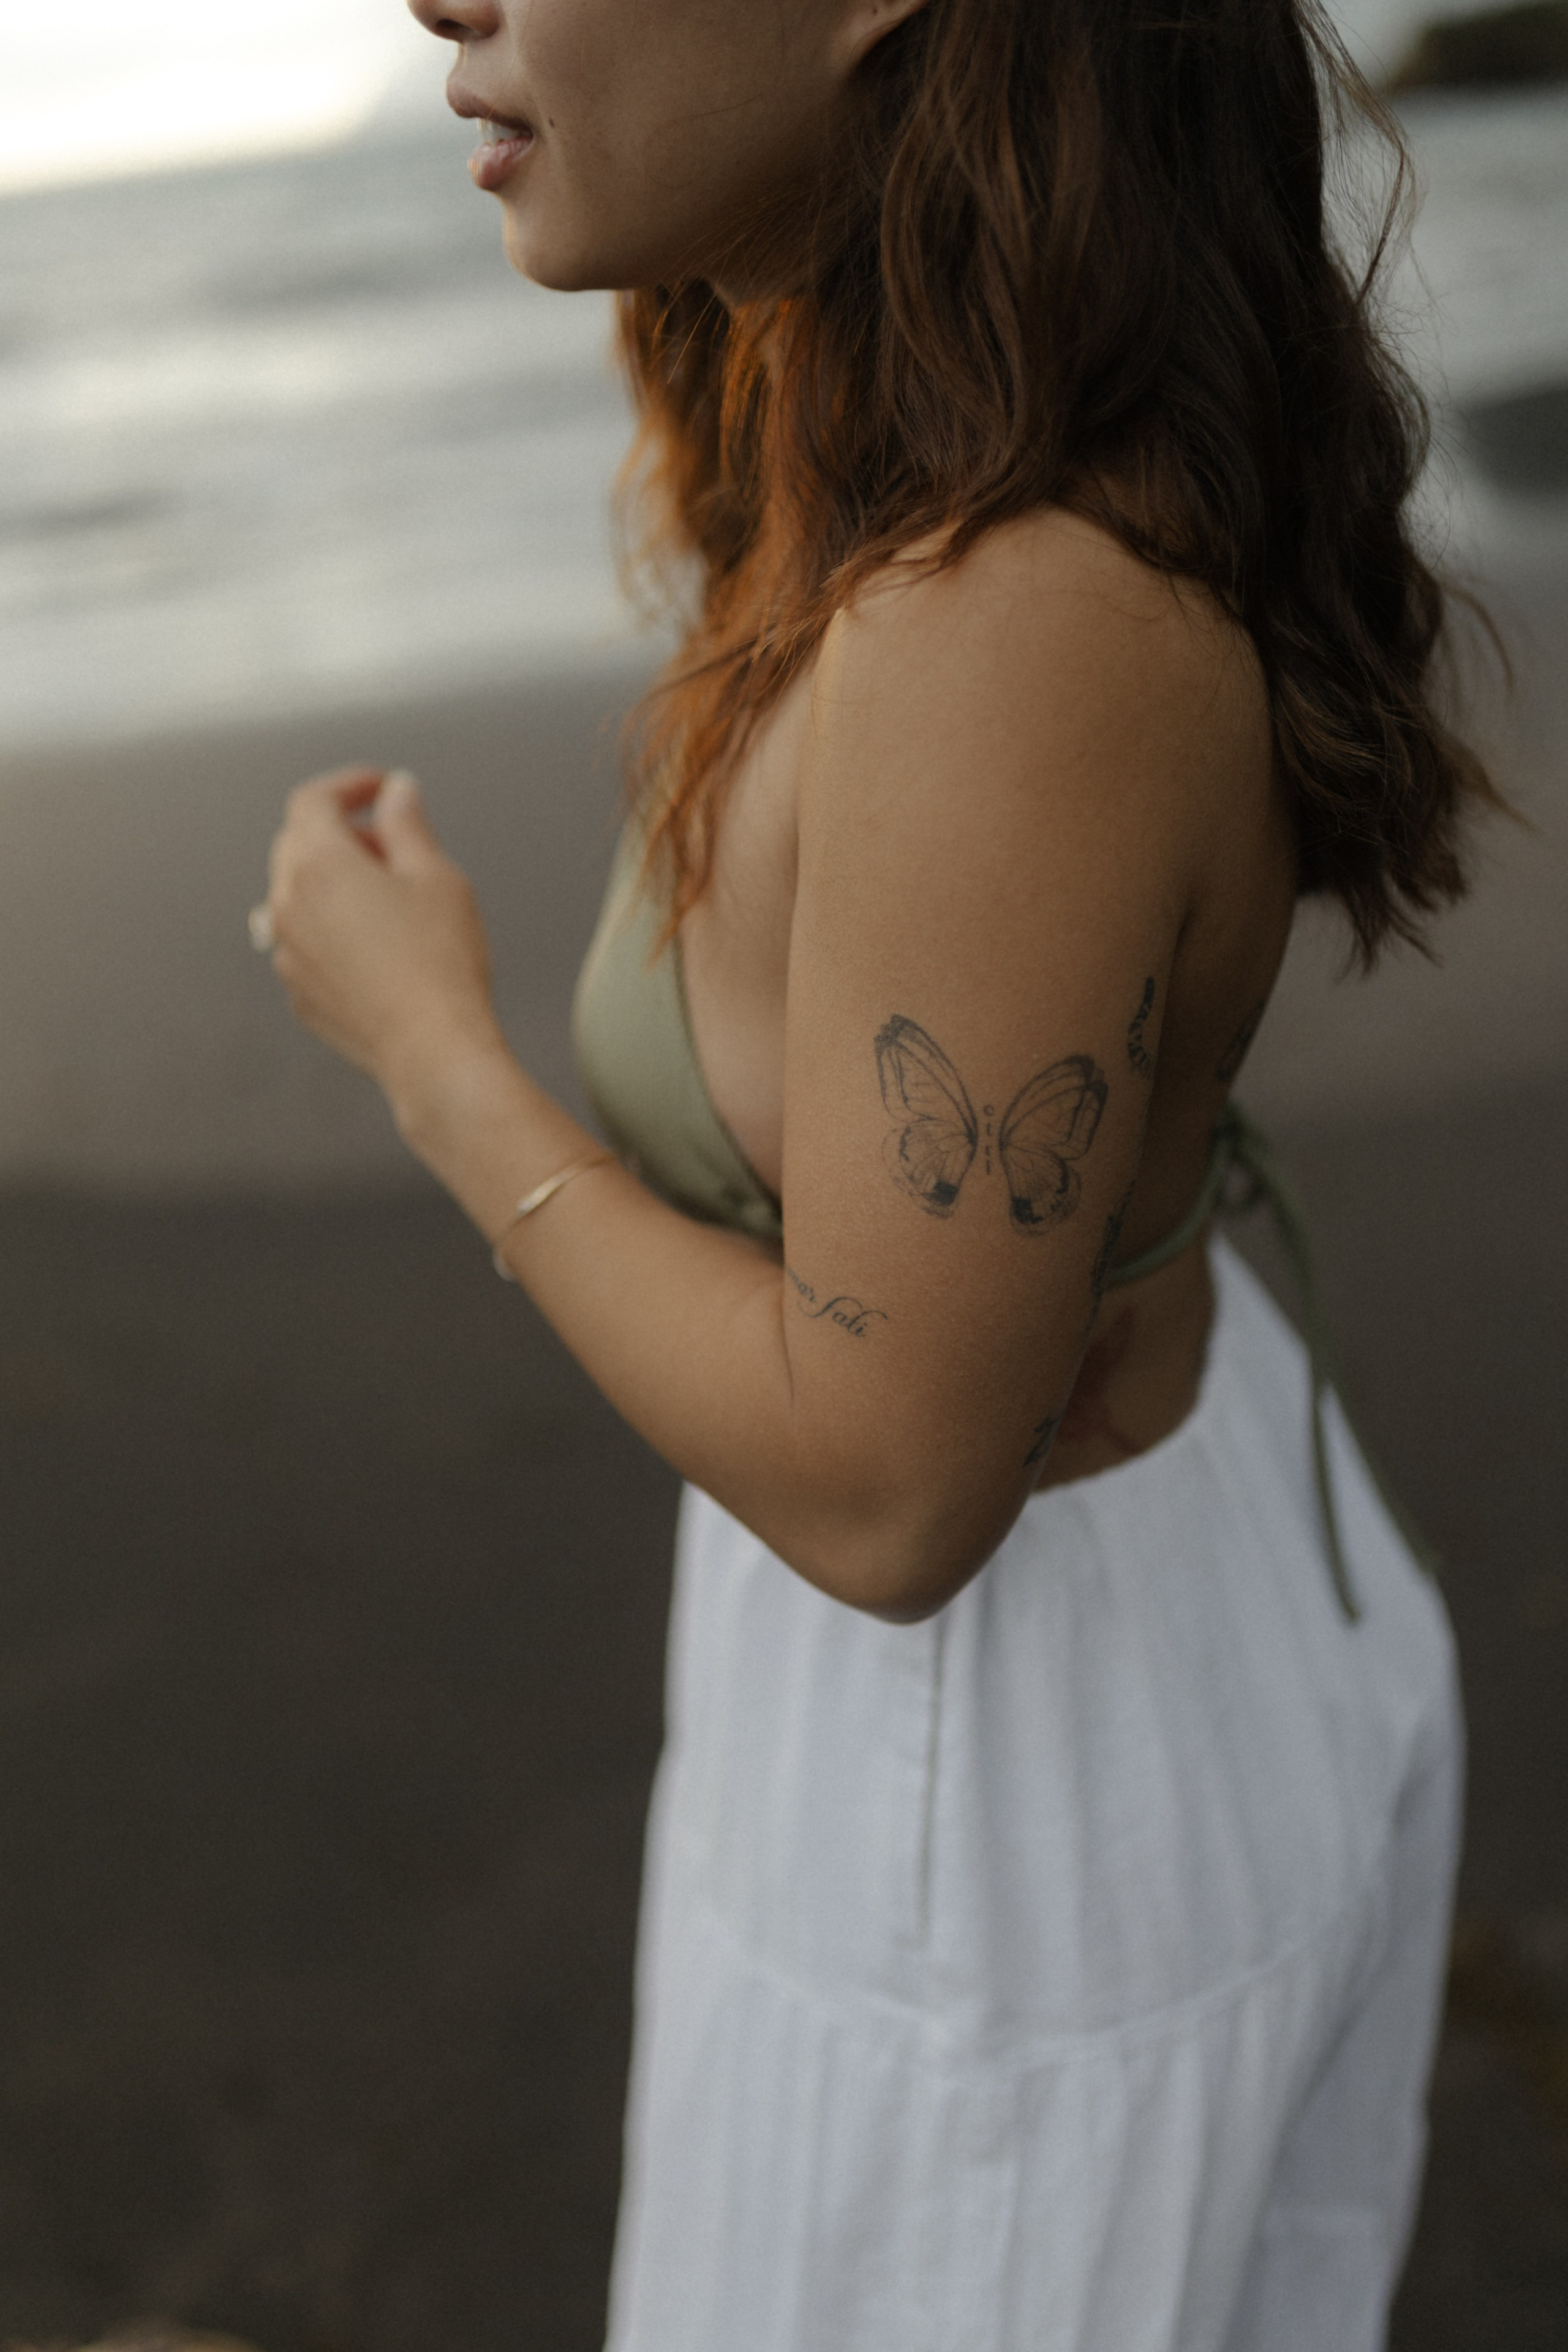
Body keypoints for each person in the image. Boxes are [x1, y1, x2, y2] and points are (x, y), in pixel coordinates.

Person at [255, 1, 1498, 2343]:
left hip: (1022, 1788)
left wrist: (432, 1054)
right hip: (1100, 1623)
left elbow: (896, 1491)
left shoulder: (1006, 621)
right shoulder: (864, 453)